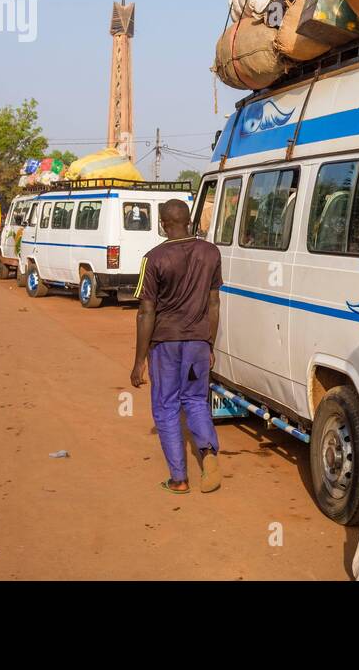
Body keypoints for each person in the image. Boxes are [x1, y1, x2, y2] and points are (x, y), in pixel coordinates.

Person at [129, 199, 224, 495]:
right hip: (197, 343)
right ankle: (208, 455)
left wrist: (139, 360)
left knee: (167, 406)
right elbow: (214, 303)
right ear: (188, 222)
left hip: (166, 346)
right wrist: (209, 343)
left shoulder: (153, 258)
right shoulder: (210, 253)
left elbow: (146, 312)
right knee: (195, 400)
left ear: (163, 224)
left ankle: (179, 479)